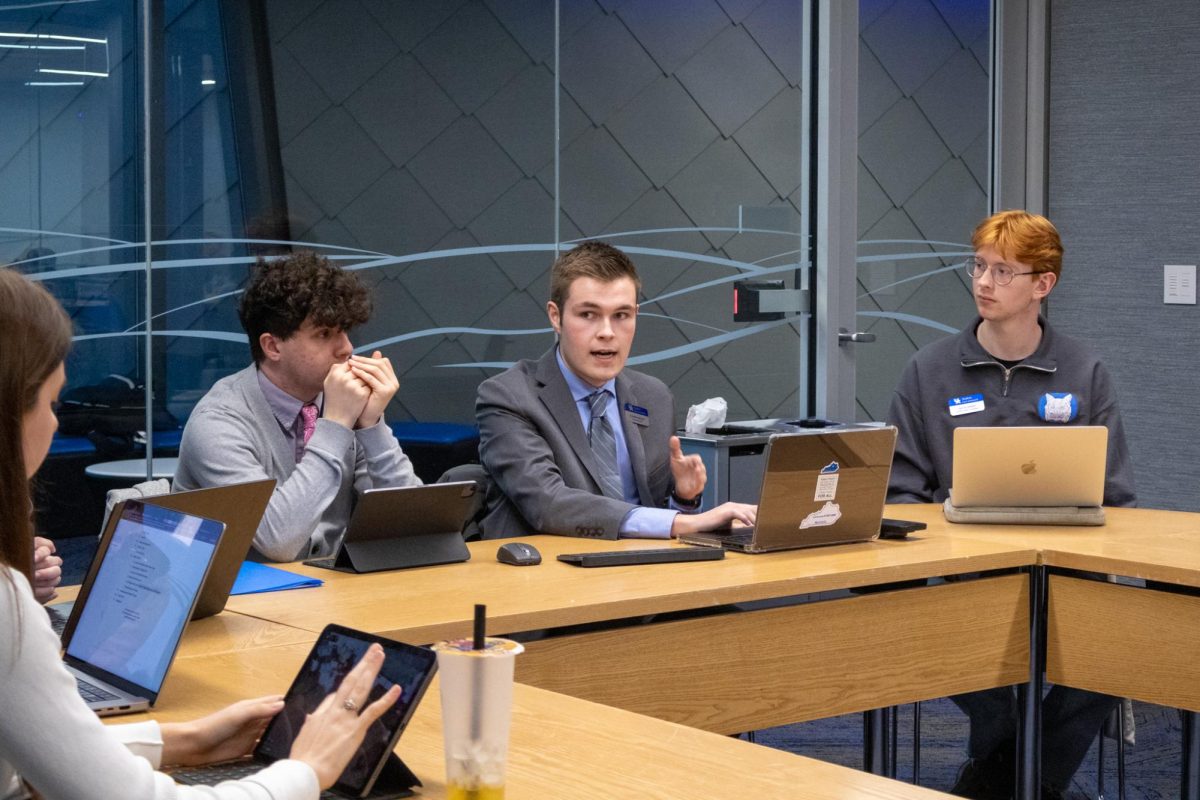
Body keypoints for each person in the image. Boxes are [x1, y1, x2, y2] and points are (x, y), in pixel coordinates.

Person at [0, 267, 398, 799]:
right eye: (51, 403)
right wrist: (305, 770)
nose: (55, 423)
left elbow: (27, 764)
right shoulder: (6, 608)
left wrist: (181, 740)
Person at [885, 210, 1136, 799]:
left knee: (1119, 655)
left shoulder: (1084, 369)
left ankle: (1001, 779)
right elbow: (900, 491)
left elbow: (1116, 493)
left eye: (1003, 271)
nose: (984, 282)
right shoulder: (928, 370)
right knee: (946, 646)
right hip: (966, 576)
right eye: (978, 266)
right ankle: (1029, 779)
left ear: (1042, 285)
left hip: (1069, 574)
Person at [476, 241, 756, 539]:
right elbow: (548, 503)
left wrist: (683, 501)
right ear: (555, 317)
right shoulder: (509, 397)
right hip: (548, 575)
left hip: (640, 575)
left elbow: (655, 515)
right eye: (588, 315)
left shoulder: (654, 397)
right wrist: (683, 522)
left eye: (621, 315)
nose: (607, 333)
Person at [175, 251, 421, 562]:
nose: (346, 347)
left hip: (334, 593)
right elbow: (279, 542)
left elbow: (414, 526)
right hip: (241, 603)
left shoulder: (341, 404)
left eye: (345, 330)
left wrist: (372, 428)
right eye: (324, 334)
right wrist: (335, 426)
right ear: (273, 346)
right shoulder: (217, 423)